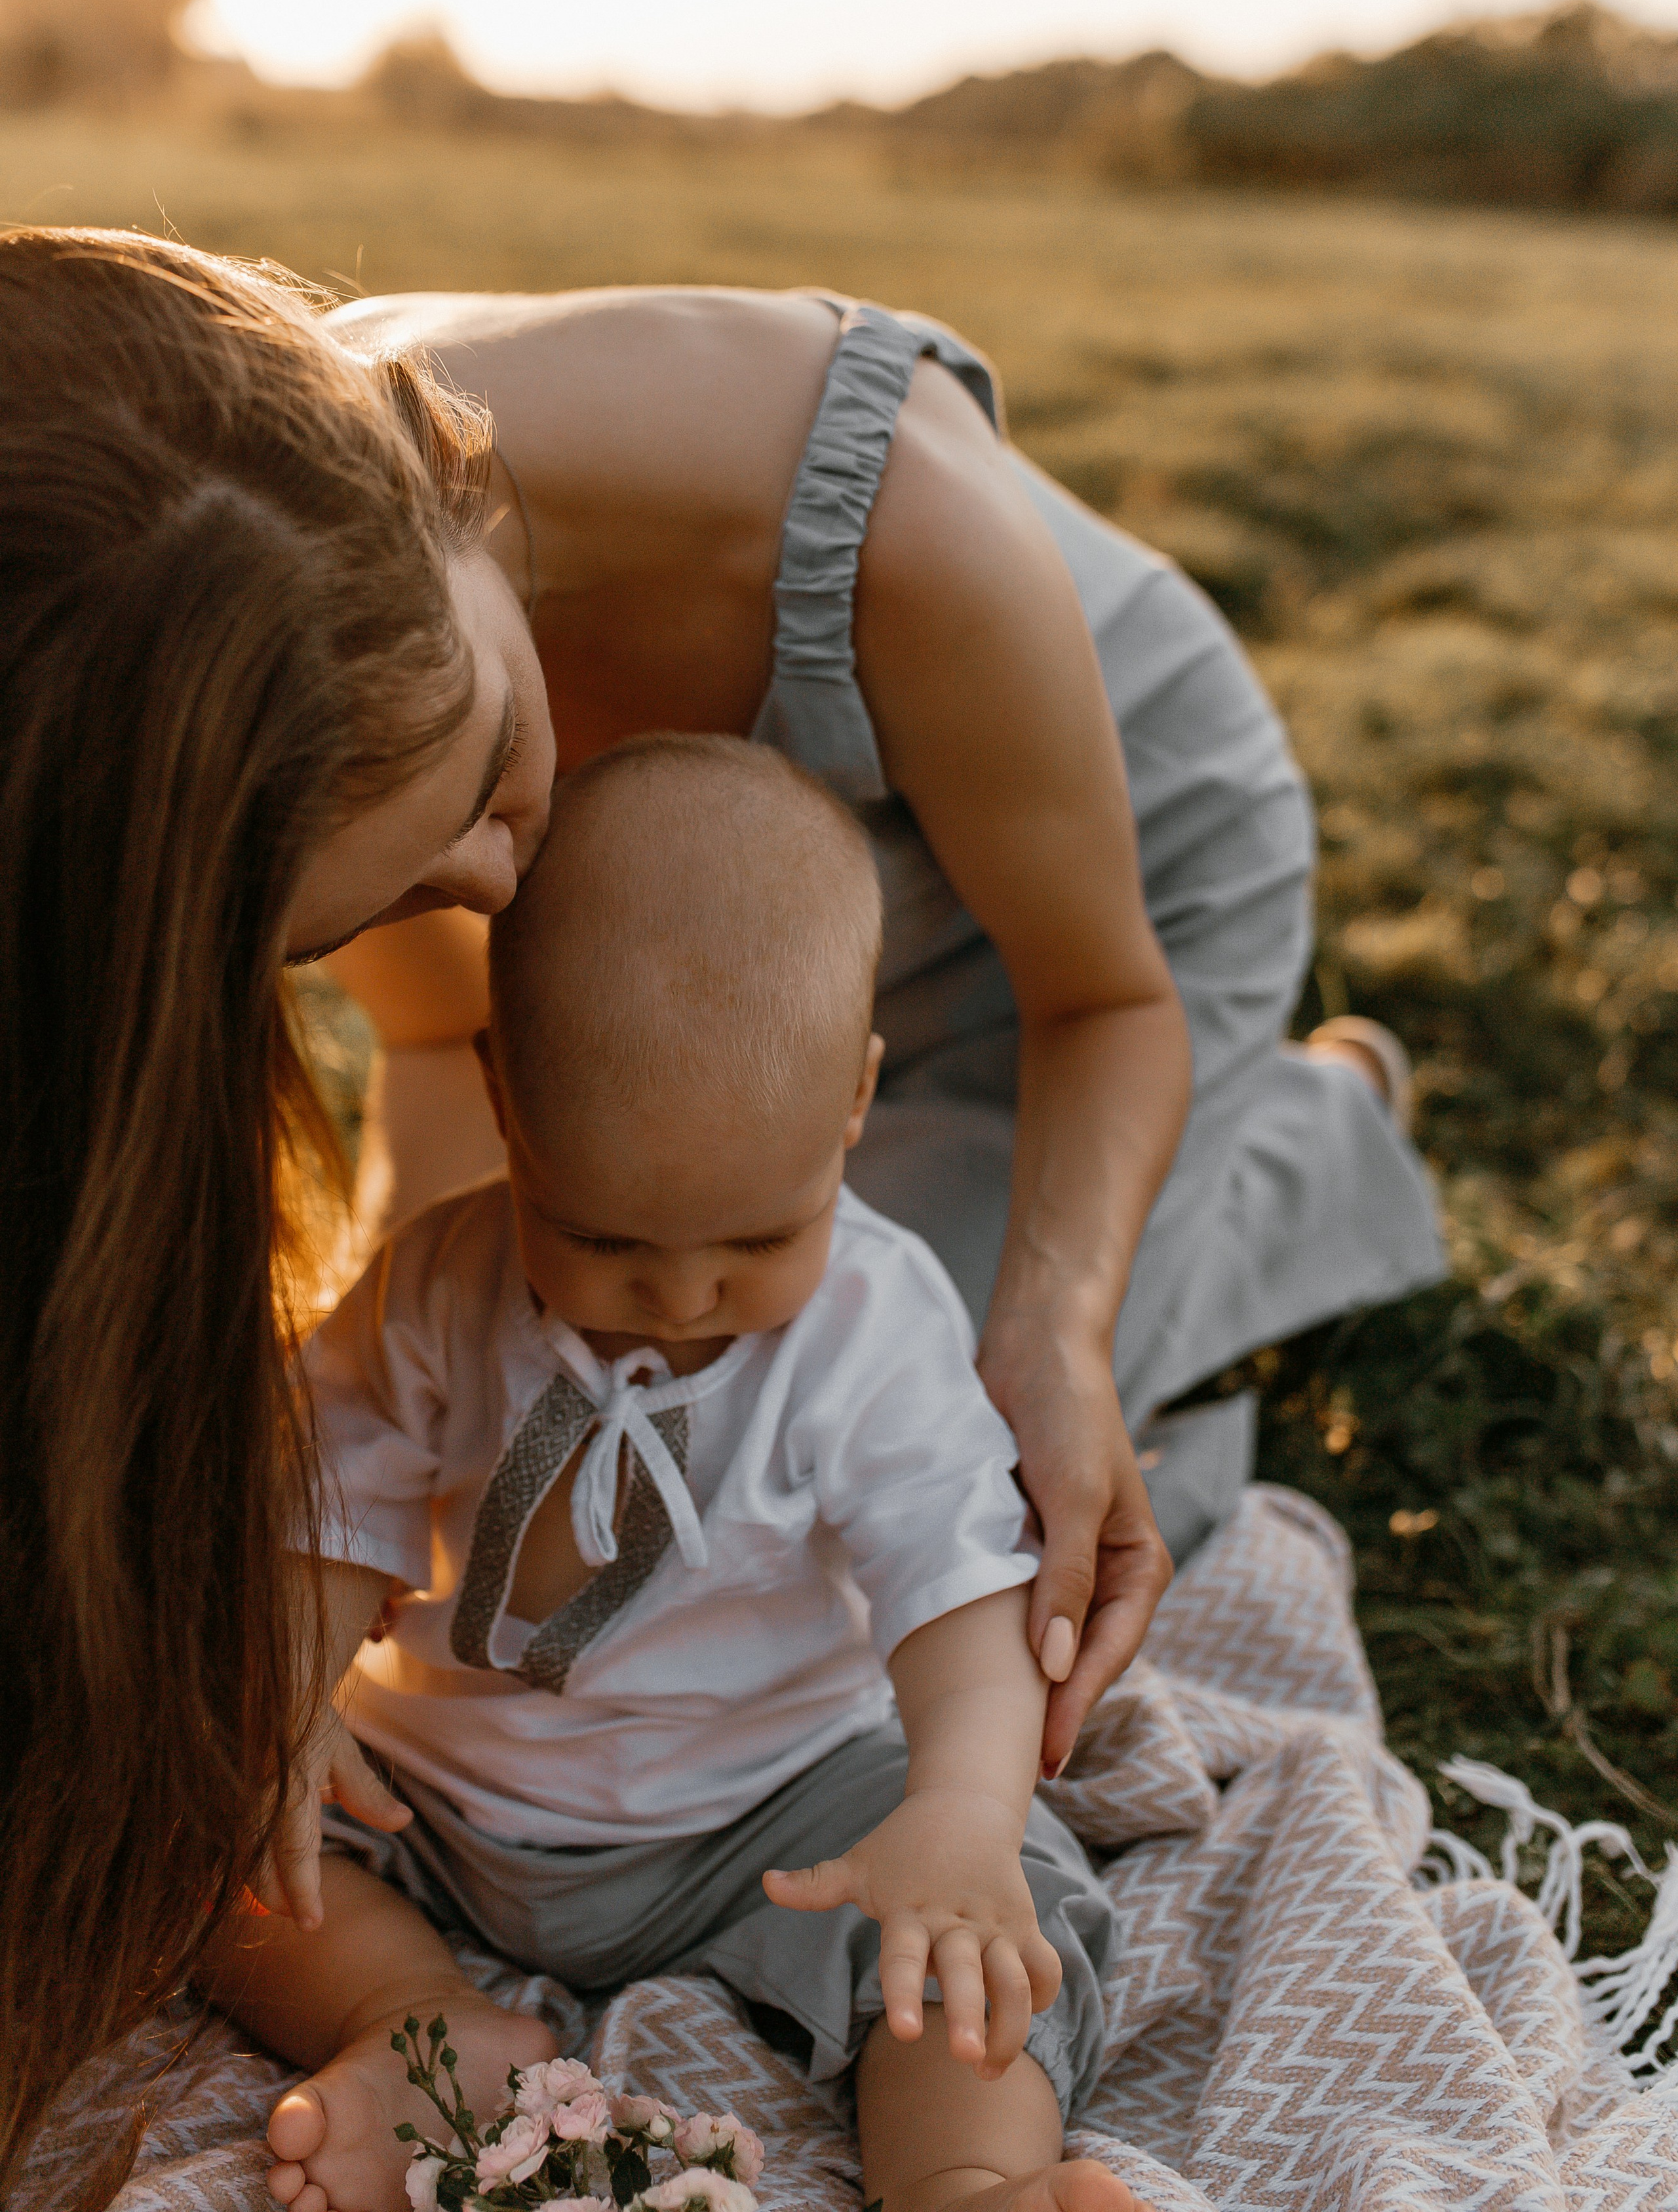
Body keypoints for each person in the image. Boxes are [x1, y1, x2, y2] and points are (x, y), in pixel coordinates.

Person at [324, 284, 1443, 1744]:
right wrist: (411, 1325)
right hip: (695, 997)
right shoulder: (314, 676)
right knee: (628, 1356)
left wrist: (1056, 1333)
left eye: (476, 807)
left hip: (1107, 912)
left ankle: (1303, 1129)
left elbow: (1099, 993)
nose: (489, 886)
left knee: (895, 1439)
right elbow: (431, 1046)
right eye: (403, 885)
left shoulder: (881, 523)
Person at [212, 736, 1139, 2212]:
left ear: (854, 1100)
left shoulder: (871, 1327)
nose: (683, 1295)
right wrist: (283, 1703)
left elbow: (955, 1588)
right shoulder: (435, 1288)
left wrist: (954, 1818)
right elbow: (329, 1509)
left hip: (776, 1808)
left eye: (756, 1241)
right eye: (604, 1244)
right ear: (504, 1100)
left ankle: (966, 2180)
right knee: (200, 1831)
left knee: (970, 1943)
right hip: (442, 1801)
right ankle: (409, 2018)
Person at [0, 229, 555, 2202]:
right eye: (347, 934)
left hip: (1071, 931)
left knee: (850, 1320)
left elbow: (454, 1094)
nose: (503, 878)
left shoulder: (279, 553)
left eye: (488, 768)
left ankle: (1320, 1120)